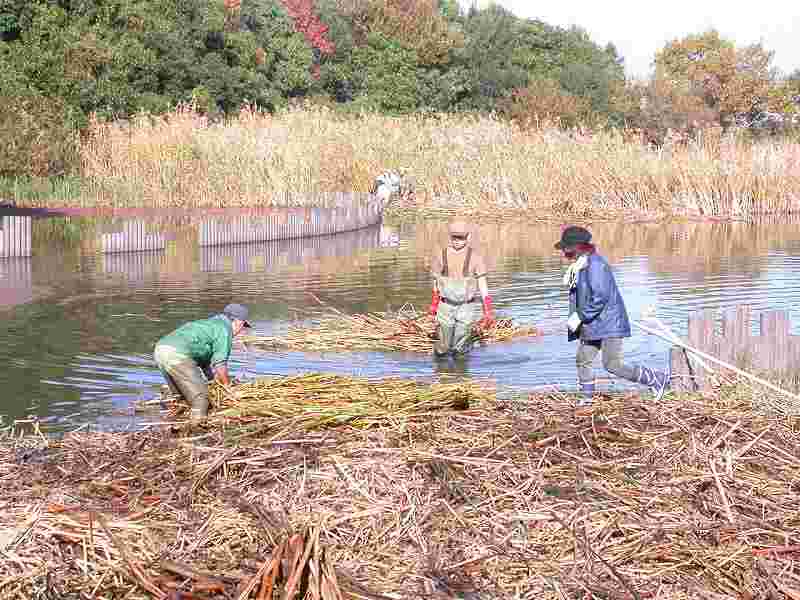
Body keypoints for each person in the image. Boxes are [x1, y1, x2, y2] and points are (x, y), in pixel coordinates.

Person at [555, 226, 670, 404]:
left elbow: (600, 297)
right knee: (583, 359)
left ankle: (657, 380)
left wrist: (579, 316)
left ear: (576, 247)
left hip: (609, 323)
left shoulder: (596, 265)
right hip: (593, 324)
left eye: (565, 248)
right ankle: (587, 399)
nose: (563, 251)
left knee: (612, 365)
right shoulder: (580, 265)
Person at [153, 303, 252, 420]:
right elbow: (220, 365)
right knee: (201, 400)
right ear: (238, 322)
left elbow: (205, 363)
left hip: (161, 349)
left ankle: (177, 424)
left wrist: (212, 381)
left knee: (183, 398)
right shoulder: (225, 330)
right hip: (178, 354)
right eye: (243, 326)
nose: (241, 330)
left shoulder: (209, 324)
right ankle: (196, 428)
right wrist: (228, 388)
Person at [429, 221, 495, 358]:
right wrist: (434, 307)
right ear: (450, 237)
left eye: (461, 237)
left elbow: (482, 285)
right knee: (444, 346)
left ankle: (461, 373)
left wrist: (488, 310)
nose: (457, 241)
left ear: (468, 237)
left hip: (467, 307)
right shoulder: (441, 255)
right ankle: (440, 373)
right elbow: (436, 283)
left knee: (460, 346)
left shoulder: (476, 257)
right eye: (455, 237)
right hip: (445, 306)